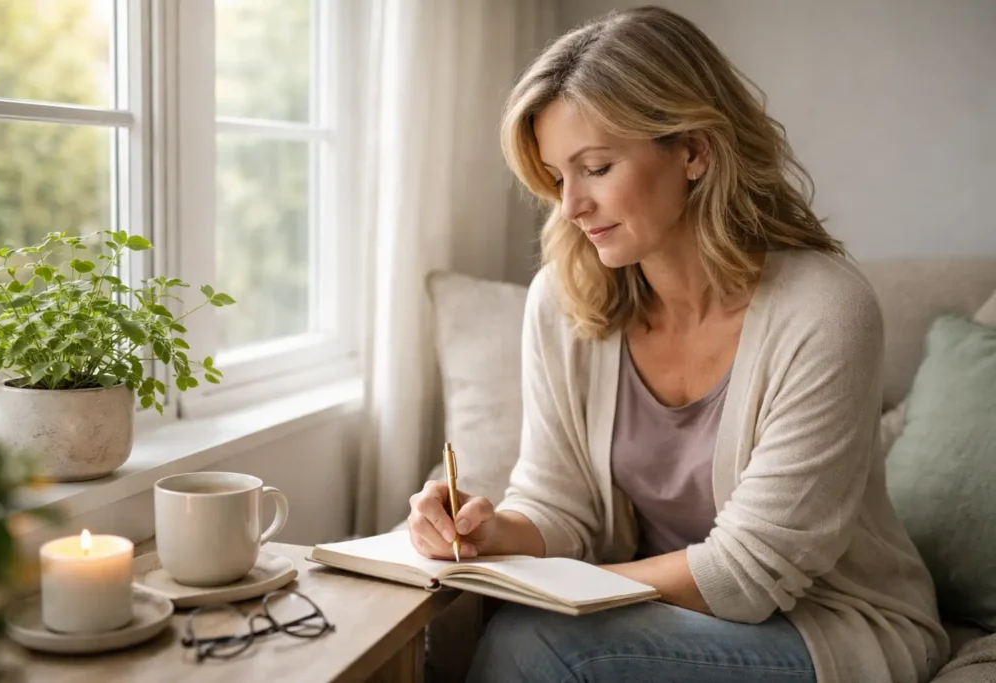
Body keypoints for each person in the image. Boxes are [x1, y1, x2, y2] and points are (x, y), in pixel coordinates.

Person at [406, 6, 949, 683]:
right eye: (556, 176)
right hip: (658, 617)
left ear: (693, 150)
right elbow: (556, 500)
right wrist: (491, 533)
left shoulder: (824, 307)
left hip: (828, 627)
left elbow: (751, 572)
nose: (570, 205)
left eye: (596, 167)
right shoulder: (563, 300)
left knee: (538, 642)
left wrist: (575, 589)